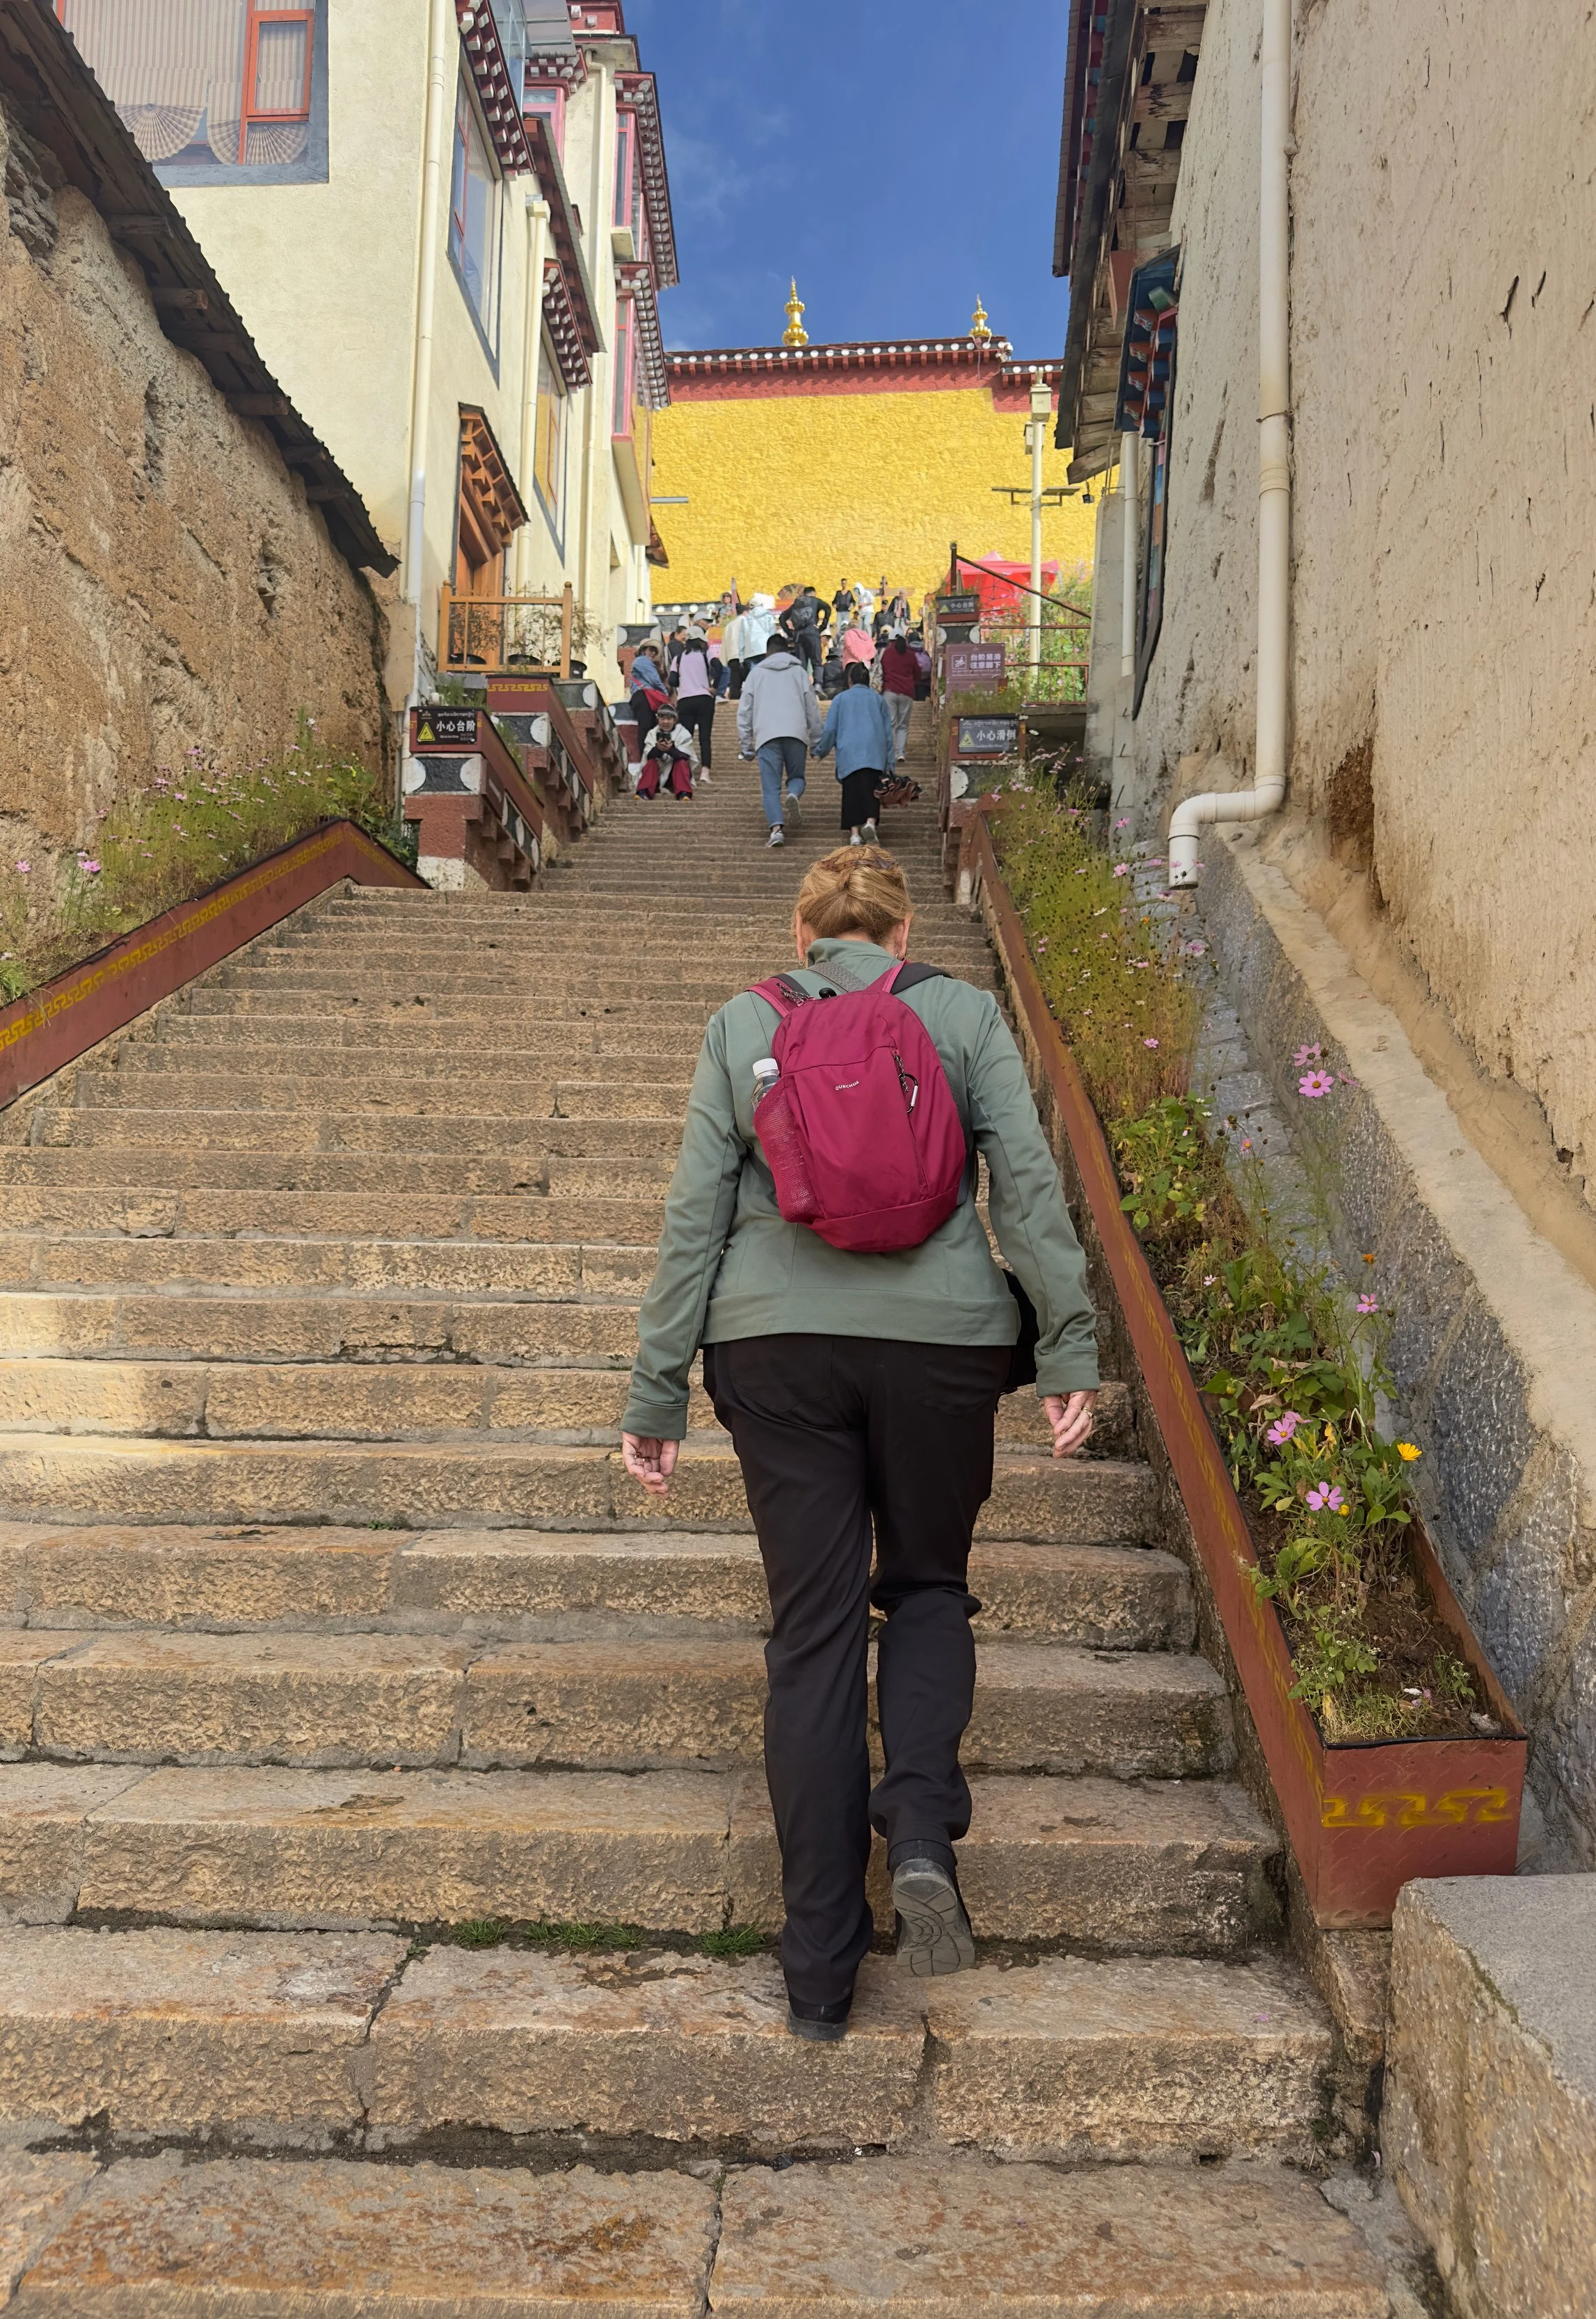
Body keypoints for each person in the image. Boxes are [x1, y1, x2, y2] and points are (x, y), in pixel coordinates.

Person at [620, 847, 1100, 2040]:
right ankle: (923, 1827)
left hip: (777, 1349)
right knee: (928, 1583)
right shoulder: (963, 1015)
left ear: (803, 933)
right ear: (902, 935)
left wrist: (657, 1391)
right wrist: (1070, 1350)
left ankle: (820, 1975)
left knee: (815, 1638)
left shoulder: (745, 1023)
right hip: (943, 1347)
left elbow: (692, 1217)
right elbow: (1028, 1190)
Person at [737, 631, 822, 847]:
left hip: (767, 736)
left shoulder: (756, 674)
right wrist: (816, 740)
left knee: (771, 787)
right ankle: (793, 793)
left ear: (767, 652)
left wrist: (746, 746)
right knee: (797, 777)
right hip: (796, 734)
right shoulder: (799, 672)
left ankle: (776, 830)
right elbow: (812, 707)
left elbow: (744, 712)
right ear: (787, 651)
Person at [813, 662, 892, 845]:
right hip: (874, 752)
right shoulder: (878, 700)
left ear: (850, 680)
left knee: (851, 793)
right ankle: (870, 823)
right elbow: (888, 733)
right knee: (873, 790)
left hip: (849, 753)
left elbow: (830, 730)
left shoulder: (840, 699)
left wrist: (820, 751)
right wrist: (890, 763)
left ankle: (855, 834)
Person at [671, 628, 721, 781]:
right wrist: (715, 687)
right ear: (700, 641)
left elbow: (672, 680)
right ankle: (705, 772)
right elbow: (719, 667)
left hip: (685, 700)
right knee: (705, 738)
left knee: (686, 737)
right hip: (704, 699)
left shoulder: (678, 659)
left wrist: (684, 682)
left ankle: (686, 772)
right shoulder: (706, 654)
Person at [634, 700, 699, 800]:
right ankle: (644, 791)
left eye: (669, 719)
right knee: (651, 763)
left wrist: (671, 750)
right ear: (658, 720)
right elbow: (648, 756)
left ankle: (684, 793)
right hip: (657, 776)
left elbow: (686, 756)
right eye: (663, 719)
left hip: (675, 776)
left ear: (674, 720)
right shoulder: (652, 734)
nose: (666, 722)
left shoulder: (683, 734)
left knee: (681, 762)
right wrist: (658, 749)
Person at [879, 630, 920, 763]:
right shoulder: (911, 655)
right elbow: (918, 673)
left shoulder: (886, 653)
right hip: (907, 693)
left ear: (890, 640)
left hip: (889, 691)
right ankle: (900, 753)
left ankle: (890, 753)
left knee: (891, 724)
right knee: (903, 725)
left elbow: (881, 671)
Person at [781, 584, 824, 681]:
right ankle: (818, 685)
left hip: (798, 636)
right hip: (812, 633)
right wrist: (822, 627)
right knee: (817, 663)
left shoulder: (796, 605)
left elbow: (782, 617)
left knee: (801, 664)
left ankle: (802, 685)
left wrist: (789, 633)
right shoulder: (815, 602)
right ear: (812, 594)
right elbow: (828, 608)